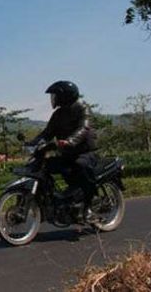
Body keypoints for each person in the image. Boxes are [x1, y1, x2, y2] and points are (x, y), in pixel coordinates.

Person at [28, 81, 98, 222]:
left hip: (84, 152)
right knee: (45, 165)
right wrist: (32, 143)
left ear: (65, 96)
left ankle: (89, 206)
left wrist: (70, 141)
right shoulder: (58, 114)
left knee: (80, 166)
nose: (53, 99)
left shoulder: (82, 108)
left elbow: (83, 129)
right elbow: (47, 133)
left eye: (55, 95)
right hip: (67, 153)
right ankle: (57, 199)